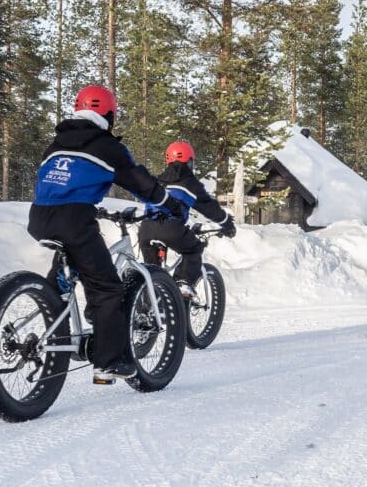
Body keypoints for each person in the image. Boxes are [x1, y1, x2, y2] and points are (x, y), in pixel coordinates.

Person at [27, 85, 185, 383]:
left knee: (69, 273)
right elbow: (141, 182)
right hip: (74, 219)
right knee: (107, 289)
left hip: (39, 216)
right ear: (109, 115)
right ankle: (107, 362)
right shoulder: (107, 146)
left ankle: (56, 323)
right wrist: (169, 204)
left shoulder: (56, 143)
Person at [138, 141, 236, 299]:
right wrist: (227, 222)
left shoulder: (158, 181)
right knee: (194, 249)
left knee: (152, 276)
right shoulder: (190, 183)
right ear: (190, 162)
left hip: (146, 229)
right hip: (171, 229)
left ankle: (147, 312)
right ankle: (183, 283)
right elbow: (209, 207)